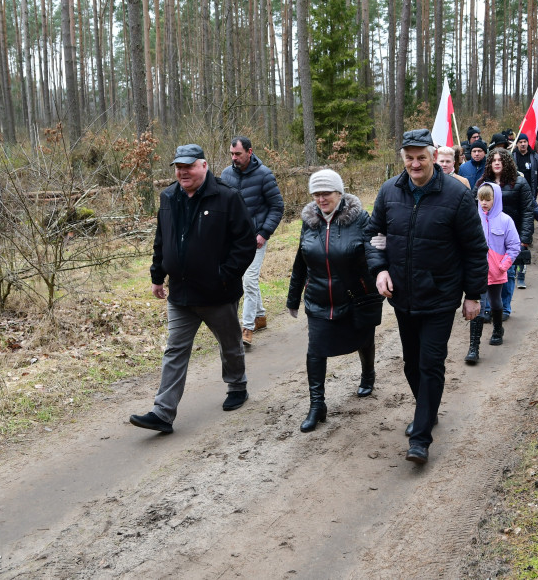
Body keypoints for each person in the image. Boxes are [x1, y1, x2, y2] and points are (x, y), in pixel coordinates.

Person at [366, 129, 487, 465]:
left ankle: (420, 438)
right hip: (402, 296)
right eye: (409, 158)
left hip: (440, 296)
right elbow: (375, 235)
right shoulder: (389, 191)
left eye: (421, 157)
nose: (415, 163)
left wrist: (473, 294)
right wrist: (380, 270)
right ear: (403, 158)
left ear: (433, 156)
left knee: (430, 363)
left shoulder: (457, 195)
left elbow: (475, 249)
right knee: (410, 363)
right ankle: (428, 409)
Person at [130, 144, 256, 434]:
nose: (182, 171)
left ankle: (237, 386)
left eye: (188, 166)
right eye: (178, 167)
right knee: (175, 350)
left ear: (204, 165)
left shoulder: (227, 197)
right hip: (181, 293)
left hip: (218, 293)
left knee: (230, 344)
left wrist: (224, 276)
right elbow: (162, 240)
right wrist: (157, 275)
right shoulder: (168, 197)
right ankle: (163, 412)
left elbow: (245, 243)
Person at [286, 170, 379, 433]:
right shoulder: (310, 220)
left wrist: (380, 278)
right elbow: (300, 260)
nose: (321, 198)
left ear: (339, 192)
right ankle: (317, 405)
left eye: (326, 192)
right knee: (315, 350)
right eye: (316, 193)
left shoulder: (359, 218)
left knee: (364, 338)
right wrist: (294, 298)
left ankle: (368, 374)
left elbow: (373, 250)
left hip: (353, 295)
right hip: (318, 297)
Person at [221, 136, 285, 348]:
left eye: (238, 154)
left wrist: (264, 233)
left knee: (248, 279)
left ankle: (247, 328)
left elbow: (277, 206)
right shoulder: (226, 174)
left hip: (256, 238)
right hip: (233, 240)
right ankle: (260, 316)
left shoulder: (264, 175)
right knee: (243, 279)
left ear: (249, 152)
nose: (234, 158)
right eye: (232, 154)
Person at [466, 183, 520, 365]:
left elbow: (514, 246)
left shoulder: (505, 220)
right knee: (478, 306)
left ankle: (498, 328)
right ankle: (474, 347)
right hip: (477, 271)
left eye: (488, 200)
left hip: (497, 271)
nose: (484, 203)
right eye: (481, 199)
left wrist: (503, 264)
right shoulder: (472, 219)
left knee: (496, 302)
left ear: (495, 200)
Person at [478, 151, 535, 321]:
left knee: (508, 274)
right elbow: (473, 205)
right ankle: (488, 308)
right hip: (488, 236)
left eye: (500, 160)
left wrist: (525, 237)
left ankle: (505, 308)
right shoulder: (482, 184)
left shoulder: (519, 182)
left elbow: (528, 209)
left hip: (510, 233)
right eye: (493, 160)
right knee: (488, 277)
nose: (496, 163)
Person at [512, 133, 538, 289]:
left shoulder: (534, 157)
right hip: (511, 212)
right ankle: (511, 274)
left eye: (525, 142)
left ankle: (521, 276)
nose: (523, 144)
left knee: (523, 245)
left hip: (529, 196)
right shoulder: (512, 156)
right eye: (520, 142)